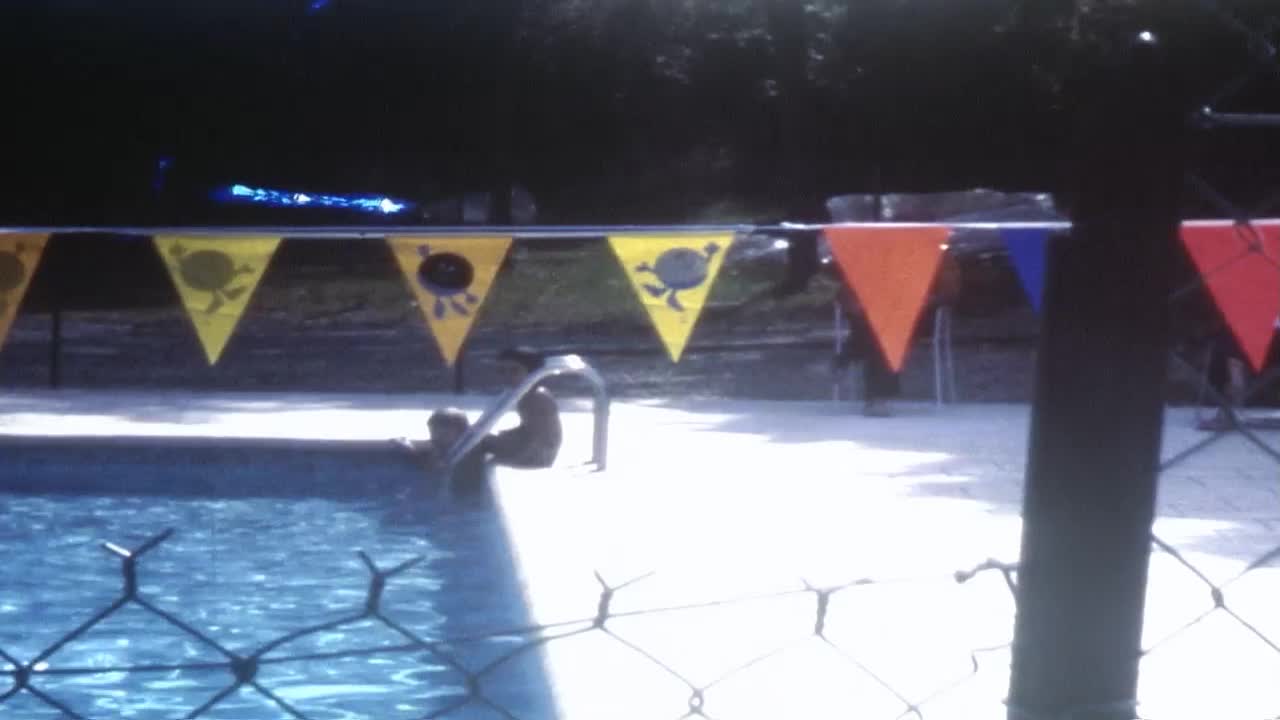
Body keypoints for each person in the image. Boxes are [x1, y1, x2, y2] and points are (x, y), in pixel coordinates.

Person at [480, 346, 562, 468]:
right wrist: (505, 436)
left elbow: (539, 440)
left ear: (533, 373)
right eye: (502, 371)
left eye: (514, 371)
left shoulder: (535, 398)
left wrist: (497, 450)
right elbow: (528, 430)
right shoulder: (526, 394)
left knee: (478, 445)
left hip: (537, 457)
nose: (507, 376)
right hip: (533, 452)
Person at [392, 407, 488, 497]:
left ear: (462, 434)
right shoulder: (437, 448)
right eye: (432, 433)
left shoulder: (470, 450)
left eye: (444, 434)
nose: (436, 438)